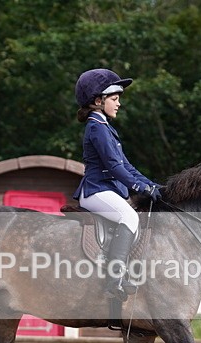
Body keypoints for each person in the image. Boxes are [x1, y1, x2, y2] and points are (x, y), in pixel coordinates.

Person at [73, 68, 161, 300]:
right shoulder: (97, 128)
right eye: (114, 99)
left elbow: (128, 167)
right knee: (129, 217)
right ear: (98, 101)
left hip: (107, 190)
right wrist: (141, 188)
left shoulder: (105, 128)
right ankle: (115, 278)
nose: (119, 104)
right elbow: (115, 168)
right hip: (96, 191)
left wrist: (153, 186)